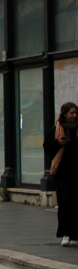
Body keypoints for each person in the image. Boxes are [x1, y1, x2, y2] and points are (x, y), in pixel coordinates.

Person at [46, 102, 78, 247]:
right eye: (71, 113)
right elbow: (47, 147)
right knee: (64, 201)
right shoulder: (56, 129)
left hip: (76, 170)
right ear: (64, 114)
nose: (74, 115)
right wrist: (59, 143)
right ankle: (65, 233)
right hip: (62, 172)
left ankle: (75, 234)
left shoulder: (77, 129)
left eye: (76, 113)